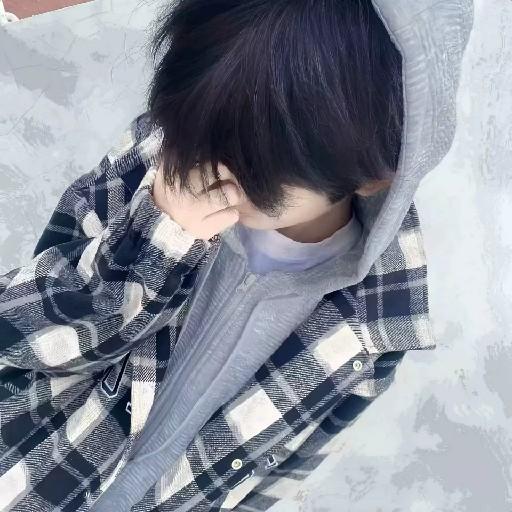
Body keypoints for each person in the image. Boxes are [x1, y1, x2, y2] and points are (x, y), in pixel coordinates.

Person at [0, 0, 473, 511]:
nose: (209, 171)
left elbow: (281, 472)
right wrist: (153, 241)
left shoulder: (375, 327)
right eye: (195, 133)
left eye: (251, 173)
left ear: (377, 174)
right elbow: (17, 332)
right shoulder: (148, 168)